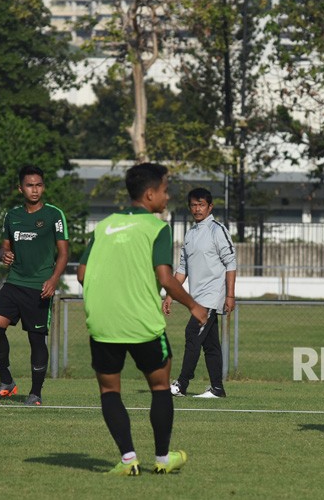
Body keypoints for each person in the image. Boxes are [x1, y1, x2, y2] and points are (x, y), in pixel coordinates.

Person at [77, 162, 208, 476]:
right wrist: (193, 305)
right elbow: (165, 277)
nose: (167, 196)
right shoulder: (156, 227)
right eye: (164, 190)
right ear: (150, 194)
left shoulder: (104, 225)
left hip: (104, 323)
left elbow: (82, 274)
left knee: (110, 392)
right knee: (161, 387)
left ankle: (128, 460)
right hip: (142, 324)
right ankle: (162, 461)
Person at [0, 165, 69, 406]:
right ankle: (6, 382)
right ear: (20, 188)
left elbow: (64, 253)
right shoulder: (12, 216)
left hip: (39, 286)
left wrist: (53, 279)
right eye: (30, 185)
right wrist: (4, 254)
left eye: (39, 185)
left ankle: (35, 393)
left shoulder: (54, 215)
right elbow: (5, 246)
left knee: (36, 339)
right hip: (14, 282)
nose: (35, 189)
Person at [163, 188, 236, 399]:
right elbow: (183, 268)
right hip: (197, 297)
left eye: (201, 205)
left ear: (210, 207)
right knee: (210, 344)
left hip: (212, 297)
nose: (197, 209)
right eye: (194, 205)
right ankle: (217, 388)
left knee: (191, 334)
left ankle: (182, 384)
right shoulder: (190, 234)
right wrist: (170, 294)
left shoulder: (217, 230)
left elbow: (231, 262)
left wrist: (230, 296)